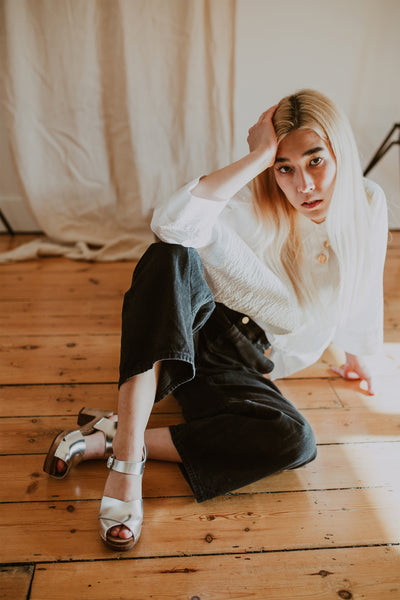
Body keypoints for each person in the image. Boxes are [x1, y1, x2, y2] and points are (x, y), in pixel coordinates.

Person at [43, 89, 388, 552]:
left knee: (295, 440)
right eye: (285, 167)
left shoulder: (368, 202)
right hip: (195, 332)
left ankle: (114, 435)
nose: (304, 185)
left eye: (315, 161)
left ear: (340, 151)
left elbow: (365, 282)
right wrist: (258, 158)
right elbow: (169, 226)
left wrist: (358, 354)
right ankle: (126, 463)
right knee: (169, 255)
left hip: (242, 362)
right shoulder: (250, 200)